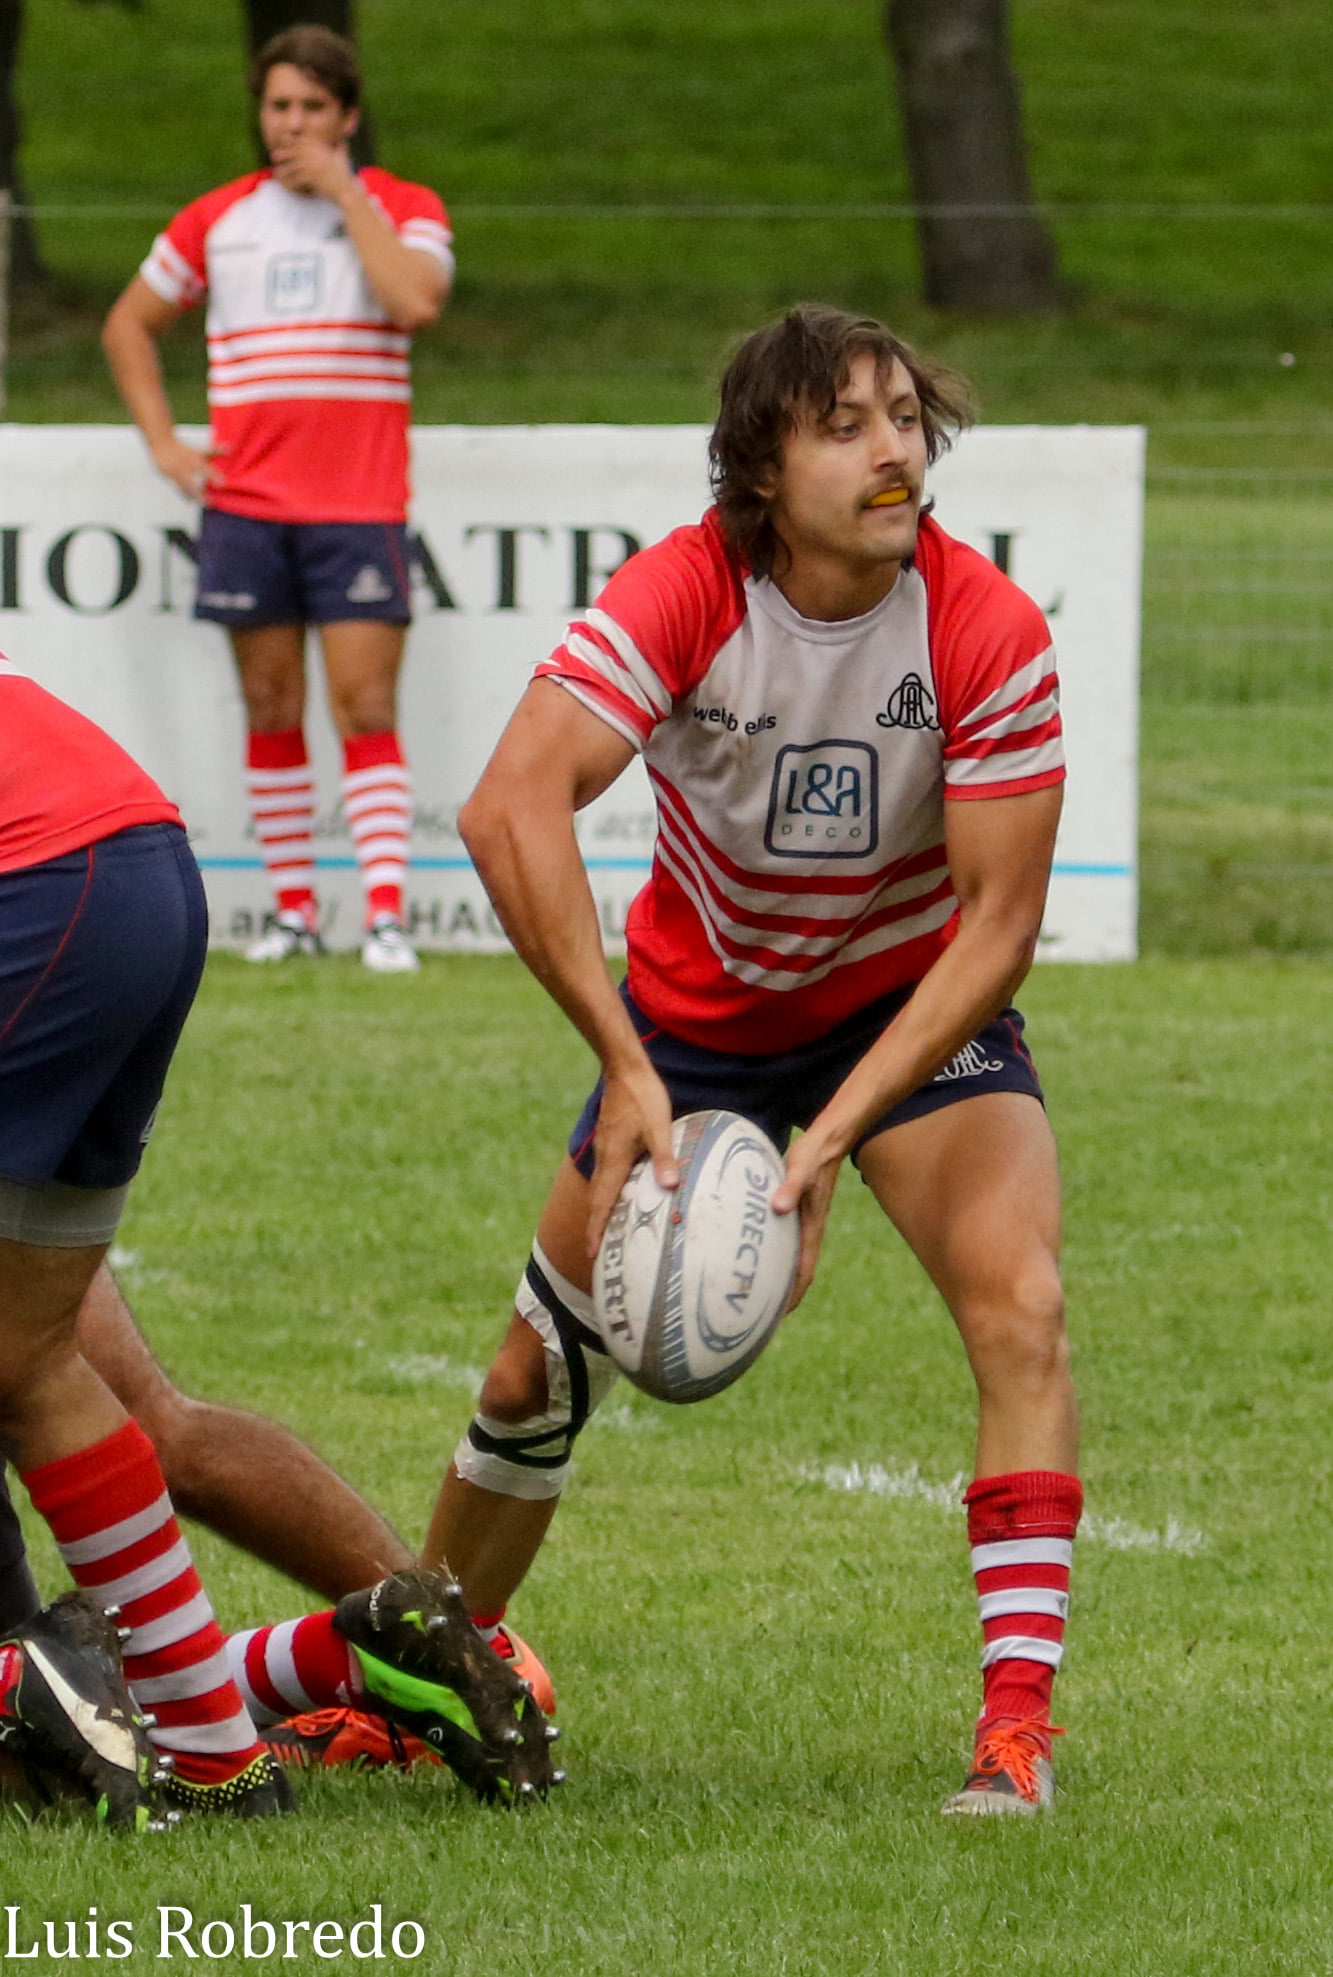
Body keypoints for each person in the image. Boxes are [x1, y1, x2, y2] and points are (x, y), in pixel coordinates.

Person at [418, 305, 1082, 1816]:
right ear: (759, 468)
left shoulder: (982, 626)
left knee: (1021, 1307)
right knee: (530, 1376)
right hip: (692, 1023)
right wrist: (626, 1066)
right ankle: (417, 1685)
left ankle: (1013, 1729)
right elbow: (507, 808)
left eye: (905, 417)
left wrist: (836, 1133)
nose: (891, 449)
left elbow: (997, 928)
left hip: (906, 1011)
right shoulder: (686, 591)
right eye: (842, 425)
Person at [0, 660, 555, 1819]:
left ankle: (30, 1678)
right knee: (40, 1365)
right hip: (138, 862)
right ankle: (286, 1705)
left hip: (37, 882)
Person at [101, 24, 453, 973]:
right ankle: (294, 913)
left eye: (309, 108)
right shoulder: (218, 216)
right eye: (276, 107)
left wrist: (344, 194)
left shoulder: (403, 206)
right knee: (268, 701)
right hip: (248, 506)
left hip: (358, 503)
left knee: (364, 703)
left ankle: (385, 917)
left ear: (346, 115)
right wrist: (167, 444)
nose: (289, 125)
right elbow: (130, 323)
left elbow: (414, 301)